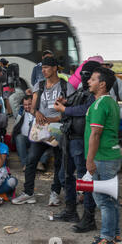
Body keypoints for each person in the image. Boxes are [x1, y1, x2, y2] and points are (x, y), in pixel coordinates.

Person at [12, 56, 75, 206]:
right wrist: (37, 113)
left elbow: (70, 110)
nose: (44, 71)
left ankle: (54, 193)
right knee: (31, 160)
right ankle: (28, 193)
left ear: (55, 69)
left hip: (59, 131)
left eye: (47, 68)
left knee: (59, 163)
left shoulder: (66, 87)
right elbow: (33, 108)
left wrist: (54, 119)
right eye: (42, 68)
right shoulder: (39, 85)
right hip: (40, 130)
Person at [53, 61, 101, 226]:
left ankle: (88, 217)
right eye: (83, 74)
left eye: (88, 75)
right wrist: (64, 103)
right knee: (66, 176)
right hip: (70, 137)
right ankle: (70, 211)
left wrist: (65, 109)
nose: (85, 78)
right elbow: (72, 104)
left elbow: (84, 110)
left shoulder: (96, 95)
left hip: (81, 140)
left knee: (84, 179)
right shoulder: (81, 90)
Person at [84, 67, 122, 244]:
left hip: (102, 158)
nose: (88, 82)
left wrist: (90, 160)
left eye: (92, 79)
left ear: (102, 84)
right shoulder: (113, 103)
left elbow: (96, 134)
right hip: (112, 156)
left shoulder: (100, 105)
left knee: (104, 201)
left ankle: (107, 239)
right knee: (111, 200)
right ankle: (114, 235)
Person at [12, 95, 49, 172]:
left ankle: (40, 163)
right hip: (25, 139)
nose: (27, 107)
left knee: (48, 140)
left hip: (37, 140)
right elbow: (12, 100)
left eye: (29, 104)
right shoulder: (21, 112)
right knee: (19, 137)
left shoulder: (39, 112)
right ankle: (26, 164)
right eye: (25, 105)